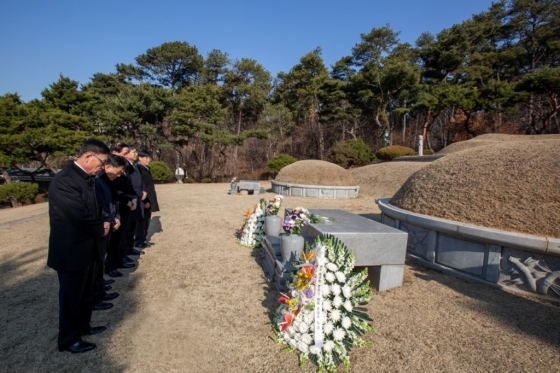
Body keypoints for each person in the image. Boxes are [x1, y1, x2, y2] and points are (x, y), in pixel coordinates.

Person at [47, 139, 110, 354]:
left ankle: (83, 326)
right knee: (71, 296)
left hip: (87, 247)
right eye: (101, 162)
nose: (103, 167)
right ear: (88, 156)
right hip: (70, 249)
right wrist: (100, 227)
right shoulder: (64, 180)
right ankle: (68, 339)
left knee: (85, 293)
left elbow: (95, 207)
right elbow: (78, 214)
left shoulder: (87, 178)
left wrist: (106, 219)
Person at [93, 154, 128, 309]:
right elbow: (100, 206)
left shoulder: (109, 182)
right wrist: (108, 220)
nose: (119, 175)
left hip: (110, 222)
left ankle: (100, 289)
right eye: (118, 171)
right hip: (102, 226)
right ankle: (96, 294)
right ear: (107, 166)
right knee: (96, 262)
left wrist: (117, 217)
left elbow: (115, 203)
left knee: (100, 261)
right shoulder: (97, 182)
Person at [105, 142, 137, 277]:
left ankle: (121, 257)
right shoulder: (109, 170)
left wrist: (133, 198)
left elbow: (129, 187)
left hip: (125, 206)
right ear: (115, 152)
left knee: (123, 235)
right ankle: (111, 264)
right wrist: (127, 200)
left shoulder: (124, 168)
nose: (125, 156)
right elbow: (117, 191)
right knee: (115, 239)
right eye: (124, 153)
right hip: (119, 206)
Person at [122, 146, 147, 255]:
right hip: (131, 200)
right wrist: (136, 196)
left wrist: (144, 191)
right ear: (126, 154)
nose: (136, 154)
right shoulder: (126, 167)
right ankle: (124, 251)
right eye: (133, 152)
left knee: (133, 226)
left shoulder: (134, 166)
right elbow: (129, 185)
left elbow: (140, 182)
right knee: (127, 228)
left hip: (137, 199)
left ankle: (130, 247)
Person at [134, 150, 160, 248]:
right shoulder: (139, 169)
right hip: (144, 199)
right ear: (139, 158)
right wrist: (144, 201)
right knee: (142, 221)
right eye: (146, 157)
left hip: (149, 197)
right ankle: (138, 240)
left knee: (147, 220)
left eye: (149, 157)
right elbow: (140, 186)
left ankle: (143, 238)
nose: (148, 160)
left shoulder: (146, 168)